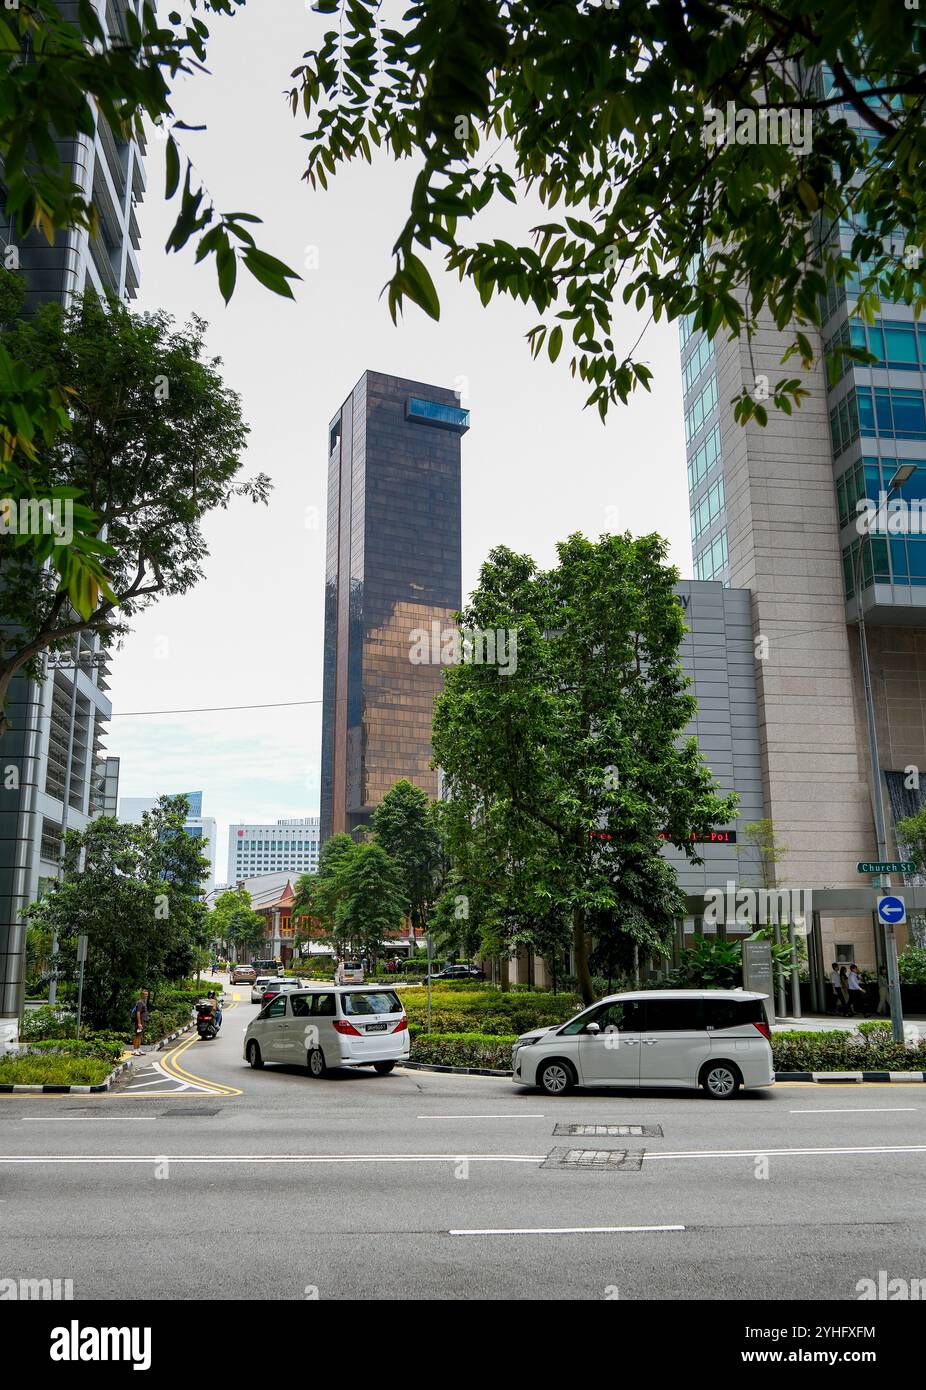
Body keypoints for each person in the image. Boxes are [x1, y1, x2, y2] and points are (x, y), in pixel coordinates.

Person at [130, 989, 149, 1056]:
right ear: (141, 995)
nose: (146, 995)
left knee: (140, 1035)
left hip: (143, 1021)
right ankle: (135, 1050)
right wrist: (139, 1023)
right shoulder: (140, 1002)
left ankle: (138, 1049)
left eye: (147, 994)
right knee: (137, 1035)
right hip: (140, 1021)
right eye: (145, 994)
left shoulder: (144, 1002)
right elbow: (138, 1013)